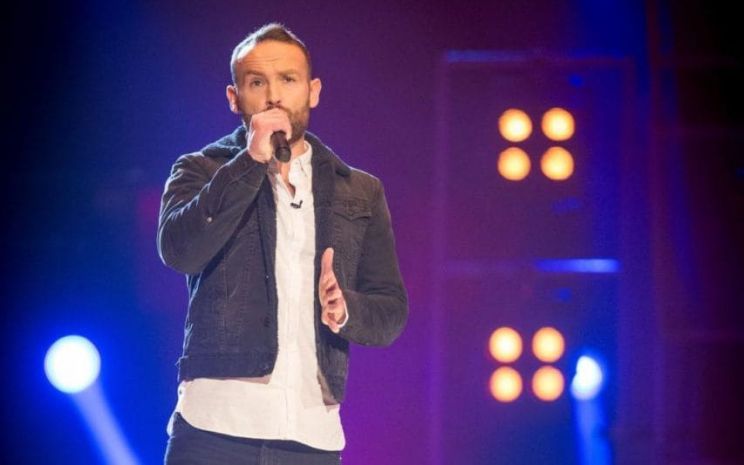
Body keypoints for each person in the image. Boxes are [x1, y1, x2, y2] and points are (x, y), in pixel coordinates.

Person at [157, 23, 408, 465]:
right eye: (257, 83)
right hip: (215, 427)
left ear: (313, 91)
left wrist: (345, 309)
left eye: (288, 80)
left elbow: (390, 311)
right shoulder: (201, 170)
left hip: (311, 436)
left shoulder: (359, 190)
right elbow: (179, 250)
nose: (274, 96)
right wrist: (250, 161)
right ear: (234, 97)